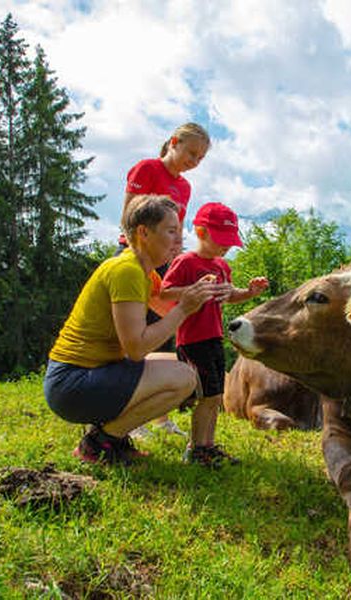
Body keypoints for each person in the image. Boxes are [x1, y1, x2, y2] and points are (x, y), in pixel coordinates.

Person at [43, 195, 220, 466]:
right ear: (143, 232)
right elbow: (137, 349)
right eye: (171, 231)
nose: (179, 240)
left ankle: (113, 435)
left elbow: (166, 306)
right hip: (72, 384)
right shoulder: (127, 271)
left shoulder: (142, 271)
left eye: (180, 231)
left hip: (88, 375)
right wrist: (184, 308)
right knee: (184, 377)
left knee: (187, 366)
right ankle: (101, 442)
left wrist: (205, 293)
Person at [120, 122, 212, 438]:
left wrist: (179, 262)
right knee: (136, 332)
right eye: (191, 152)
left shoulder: (184, 187)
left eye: (200, 158)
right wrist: (140, 261)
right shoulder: (147, 169)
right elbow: (129, 216)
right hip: (138, 259)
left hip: (166, 265)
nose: (194, 161)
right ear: (174, 142)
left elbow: (177, 231)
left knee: (169, 332)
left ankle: (160, 414)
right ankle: (130, 416)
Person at [160, 202, 269, 468]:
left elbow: (228, 295)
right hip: (192, 340)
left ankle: (207, 445)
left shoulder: (221, 265)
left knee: (216, 396)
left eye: (230, 241)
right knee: (205, 396)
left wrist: (249, 293)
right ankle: (196, 448)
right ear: (200, 232)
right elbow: (165, 292)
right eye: (221, 239)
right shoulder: (186, 262)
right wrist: (193, 290)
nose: (226, 247)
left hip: (214, 337)